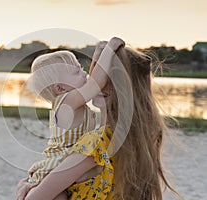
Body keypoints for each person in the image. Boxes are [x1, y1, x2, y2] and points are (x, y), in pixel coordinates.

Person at [17, 37, 180, 200]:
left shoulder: (95, 145)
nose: (89, 76)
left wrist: (21, 192)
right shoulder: (129, 142)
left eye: (103, 76)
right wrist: (101, 53)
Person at [22, 38, 125, 200]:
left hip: (67, 164)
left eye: (81, 68)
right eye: (76, 72)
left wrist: (98, 52)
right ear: (61, 88)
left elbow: (92, 80)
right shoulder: (67, 102)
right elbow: (95, 83)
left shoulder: (73, 102)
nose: (84, 73)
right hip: (55, 166)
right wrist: (110, 48)